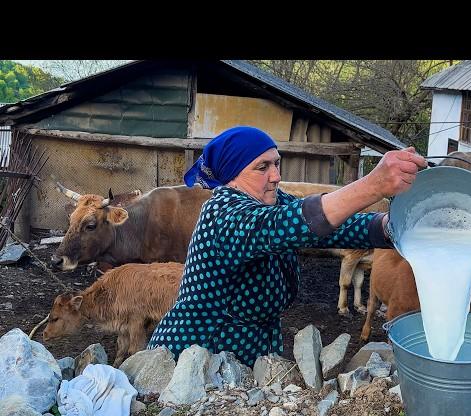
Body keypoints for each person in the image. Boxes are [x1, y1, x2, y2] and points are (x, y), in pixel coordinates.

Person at [147, 125, 426, 367]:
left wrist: (391, 226)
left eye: (276, 163)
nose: (276, 175)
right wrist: (373, 186)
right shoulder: (222, 213)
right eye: (262, 167)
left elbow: (329, 225)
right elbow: (289, 223)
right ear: (231, 174)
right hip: (194, 358)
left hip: (253, 352)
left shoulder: (272, 199)